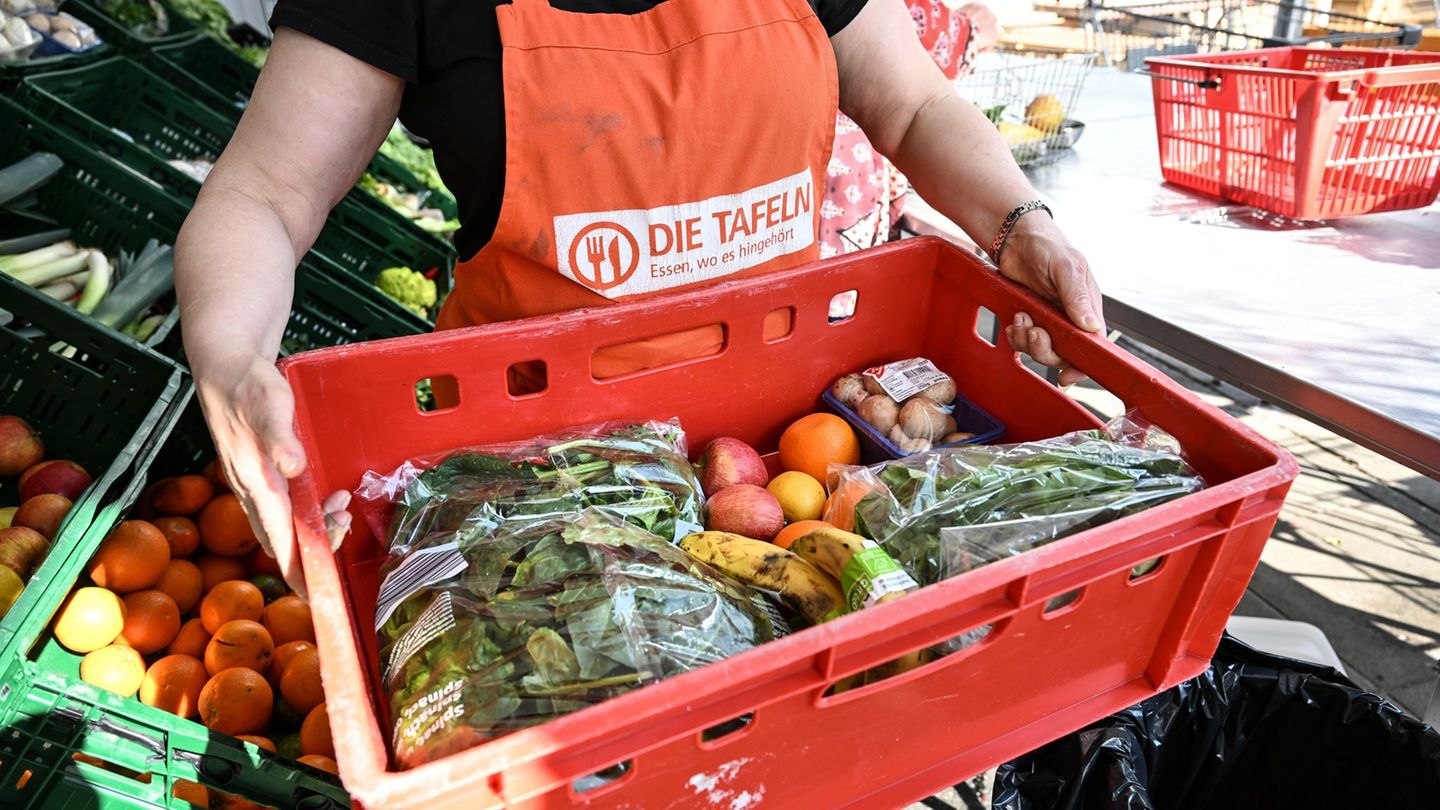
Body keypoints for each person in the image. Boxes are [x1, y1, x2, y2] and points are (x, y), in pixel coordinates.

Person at [174, 0, 1104, 595]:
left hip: (790, 446)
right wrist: (229, 359)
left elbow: (915, 107)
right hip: (532, 477)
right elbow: (264, 194)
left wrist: (1020, 222)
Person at [821, 0, 997, 258]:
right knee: (838, 267)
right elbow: (930, 37)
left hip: (810, 161)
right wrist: (973, 29)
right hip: (842, 167)